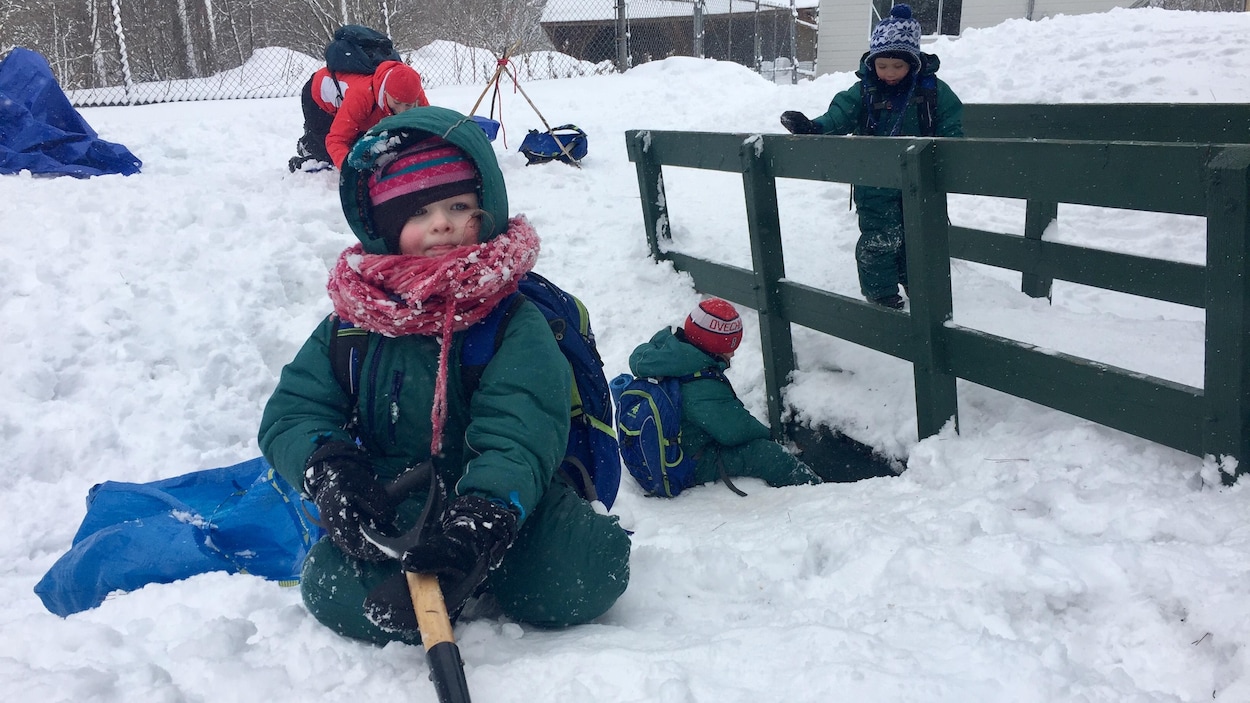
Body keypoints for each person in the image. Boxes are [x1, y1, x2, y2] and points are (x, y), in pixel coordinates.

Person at [260, 106, 631, 645]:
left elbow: (519, 434)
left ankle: (479, 568)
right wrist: (332, 469)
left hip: (505, 504)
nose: (442, 223)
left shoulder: (513, 322)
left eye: (459, 205)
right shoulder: (354, 323)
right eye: (418, 212)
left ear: (485, 211)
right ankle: (446, 585)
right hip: (396, 499)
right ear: (384, 228)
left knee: (583, 578)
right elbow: (295, 412)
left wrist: (479, 524)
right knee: (329, 588)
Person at [779, 4, 963, 309]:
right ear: (873, 63)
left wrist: (948, 157)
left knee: (921, 235)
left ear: (913, 64)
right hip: (874, 181)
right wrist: (814, 127)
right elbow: (839, 116)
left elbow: (952, 127)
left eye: (898, 66)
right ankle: (881, 293)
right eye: (883, 66)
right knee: (880, 237)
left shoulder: (933, 92)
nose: (889, 73)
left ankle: (918, 283)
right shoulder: (864, 92)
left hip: (921, 178)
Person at [627, 297, 822, 491]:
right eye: (730, 347)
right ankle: (819, 493)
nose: (733, 354)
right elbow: (735, 431)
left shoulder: (666, 355)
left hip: (659, 451)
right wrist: (770, 437)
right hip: (682, 463)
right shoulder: (701, 383)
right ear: (715, 344)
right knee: (768, 455)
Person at [289, 60, 429, 173]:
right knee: (339, 153)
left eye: (408, 106)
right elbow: (336, 140)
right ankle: (308, 145)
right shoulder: (362, 95)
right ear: (385, 92)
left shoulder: (411, 91)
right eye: (397, 103)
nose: (402, 111)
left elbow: (427, 126)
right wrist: (351, 173)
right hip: (317, 97)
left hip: (354, 106)